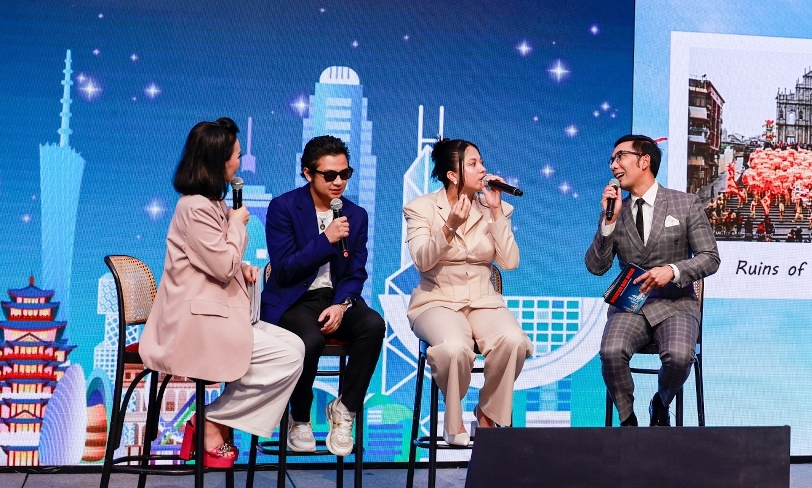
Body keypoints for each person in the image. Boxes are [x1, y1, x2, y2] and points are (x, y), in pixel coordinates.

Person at [139, 118, 304, 468]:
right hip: (193, 323)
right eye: (236, 156)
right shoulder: (195, 207)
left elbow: (213, 263)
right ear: (218, 160)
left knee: (296, 347)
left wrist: (240, 267)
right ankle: (212, 422)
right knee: (286, 358)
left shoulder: (210, 204)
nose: (239, 163)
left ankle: (214, 418)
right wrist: (237, 227)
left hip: (211, 314)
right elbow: (222, 266)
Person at [403, 139, 532, 447]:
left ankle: (488, 414)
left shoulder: (493, 208)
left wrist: (497, 211)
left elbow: (510, 263)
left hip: (483, 300)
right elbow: (422, 260)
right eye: (473, 164)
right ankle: (453, 419)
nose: (482, 169)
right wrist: (449, 226)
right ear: (452, 175)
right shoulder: (421, 208)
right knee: (453, 348)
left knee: (514, 341)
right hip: (436, 301)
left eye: (481, 162)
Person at [262, 136, 386, 456]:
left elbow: (355, 272)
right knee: (310, 339)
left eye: (345, 174)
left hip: (336, 299)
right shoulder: (284, 207)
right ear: (308, 173)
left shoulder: (355, 215)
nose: (338, 182)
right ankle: (300, 417)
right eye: (330, 175)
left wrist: (341, 306)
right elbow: (284, 270)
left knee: (373, 324)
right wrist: (325, 240)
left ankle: (345, 410)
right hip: (293, 299)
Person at [587, 135, 720, 427]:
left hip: (676, 303)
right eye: (612, 160)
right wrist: (608, 223)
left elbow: (710, 258)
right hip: (630, 305)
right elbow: (596, 267)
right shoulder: (615, 210)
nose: (613, 165)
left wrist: (672, 270)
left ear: (644, 160)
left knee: (679, 356)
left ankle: (661, 402)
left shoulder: (685, 203)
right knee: (611, 352)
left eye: (620, 157)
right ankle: (627, 419)